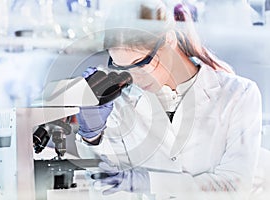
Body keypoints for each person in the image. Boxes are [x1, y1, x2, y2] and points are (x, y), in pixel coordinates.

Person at [74, 1, 262, 199]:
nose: (134, 78)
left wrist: (150, 182)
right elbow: (105, 187)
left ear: (169, 40)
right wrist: (91, 137)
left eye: (141, 63)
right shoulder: (120, 105)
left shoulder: (239, 94)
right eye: (123, 68)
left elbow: (234, 187)